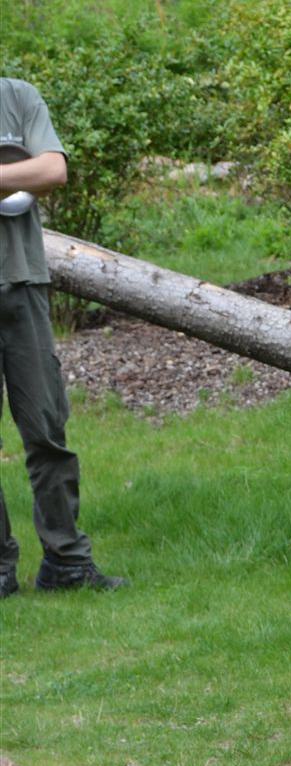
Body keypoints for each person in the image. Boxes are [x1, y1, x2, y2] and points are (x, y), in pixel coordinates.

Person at [0, 78, 124, 598]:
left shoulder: (17, 96)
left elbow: (53, 169)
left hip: (22, 280)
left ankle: (67, 561)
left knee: (47, 428)